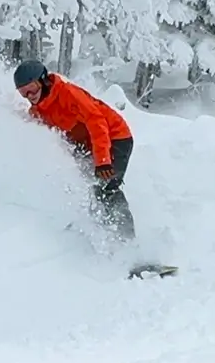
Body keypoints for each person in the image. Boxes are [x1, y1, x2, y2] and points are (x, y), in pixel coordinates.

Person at [14, 59, 136, 241]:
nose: (29, 96)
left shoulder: (68, 94)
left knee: (108, 187)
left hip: (114, 137)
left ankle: (128, 242)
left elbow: (97, 121)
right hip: (86, 145)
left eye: (31, 88)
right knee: (87, 185)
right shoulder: (39, 110)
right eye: (23, 93)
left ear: (44, 80)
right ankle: (99, 228)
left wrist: (103, 161)